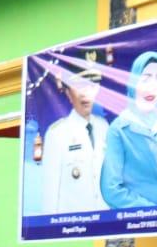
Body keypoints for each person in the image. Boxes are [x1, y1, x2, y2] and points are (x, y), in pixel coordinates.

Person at [100, 51, 157, 209]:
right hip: (140, 223)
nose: (152, 86)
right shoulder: (119, 129)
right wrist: (153, 212)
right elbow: (111, 190)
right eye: (145, 79)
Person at [41, 69, 108, 214]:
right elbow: (50, 195)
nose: (85, 93)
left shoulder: (104, 127)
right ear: (68, 94)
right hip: (73, 230)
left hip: (105, 225)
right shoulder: (57, 133)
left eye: (91, 86)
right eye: (79, 86)